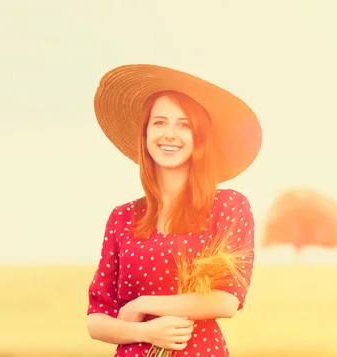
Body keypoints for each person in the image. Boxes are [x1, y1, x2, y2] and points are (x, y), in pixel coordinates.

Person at [86, 64, 262, 357]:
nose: (170, 133)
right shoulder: (122, 217)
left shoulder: (228, 206)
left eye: (184, 125)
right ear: (145, 134)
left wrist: (142, 304)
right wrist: (143, 332)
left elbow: (226, 301)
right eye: (159, 122)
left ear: (200, 138)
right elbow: (96, 320)